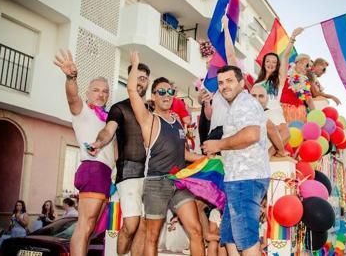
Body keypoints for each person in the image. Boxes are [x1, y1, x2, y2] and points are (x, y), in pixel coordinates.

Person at [127, 51, 204, 256]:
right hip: (156, 183)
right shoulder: (148, 120)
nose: (167, 96)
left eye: (170, 92)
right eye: (161, 92)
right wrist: (135, 65)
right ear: (153, 97)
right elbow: (133, 92)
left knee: (196, 231)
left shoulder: (177, 121)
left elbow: (185, 154)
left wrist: (207, 158)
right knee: (152, 236)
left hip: (178, 182)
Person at [203, 65, 271, 256]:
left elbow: (251, 134)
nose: (224, 86)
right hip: (238, 179)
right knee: (230, 239)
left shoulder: (244, 103)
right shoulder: (239, 105)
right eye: (221, 82)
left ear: (241, 83)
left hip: (245, 179)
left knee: (247, 242)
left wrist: (219, 144)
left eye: (229, 80)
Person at [53, 50, 115, 256]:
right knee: (84, 226)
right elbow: (72, 97)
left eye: (105, 91)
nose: (101, 94)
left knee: (91, 230)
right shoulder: (83, 112)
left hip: (106, 174)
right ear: (88, 93)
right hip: (93, 168)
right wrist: (71, 77)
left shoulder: (109, 119)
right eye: (96, 90)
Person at [91, 63, 151, 256]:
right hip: (129, 173)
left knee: (143, 225)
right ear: (129, 80)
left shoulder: (152, 109)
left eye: (144, 78)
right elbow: (108, 130)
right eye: (136, 77)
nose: (140, 81)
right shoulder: (119, 108)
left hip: (151, 174)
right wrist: (99, 142)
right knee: (131, 224)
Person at [254, 27, 303, 144]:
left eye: (274, 62)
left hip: (277, 113)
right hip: (263, 114)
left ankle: (268, 156)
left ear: (277, 65)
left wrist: (293, 38)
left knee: (285, 136)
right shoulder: (258, 83)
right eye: (268, 61)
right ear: (264, 63)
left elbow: (285, 56)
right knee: (270, 141)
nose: (271, 64)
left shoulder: (279, 79)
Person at [250, 84, 287, 157]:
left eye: (261, 96)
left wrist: (269, 153)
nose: (257, 99)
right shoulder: (241, 114)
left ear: (267, 100)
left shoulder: (273, 114)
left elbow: (286, 133)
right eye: (253, 96)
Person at [280, 53, 316, 123]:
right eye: (307, 65)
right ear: (299, 63)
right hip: (283, 109)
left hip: (298, 112)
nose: (309, 68)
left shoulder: (305, 80)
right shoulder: (286, 71)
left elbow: (309, 99)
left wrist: (315, 114)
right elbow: (285, 57)